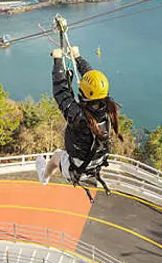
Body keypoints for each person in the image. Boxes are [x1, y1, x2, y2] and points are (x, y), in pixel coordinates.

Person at [36, 46, 124, 189]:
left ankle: (44, 177)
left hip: (77, 170)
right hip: (96, 164)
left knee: (56, 156)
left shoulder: (79, 117)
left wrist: (58, 62)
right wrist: (77, 57)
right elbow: (92, 79)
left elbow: (61, 92)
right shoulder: (110, 108)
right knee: (64, 154)